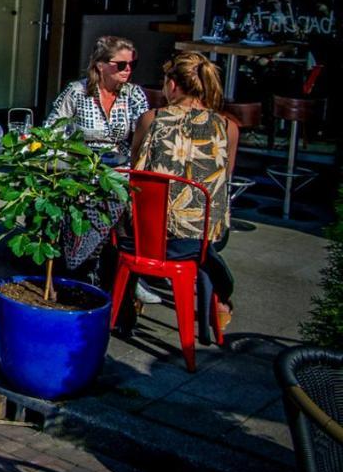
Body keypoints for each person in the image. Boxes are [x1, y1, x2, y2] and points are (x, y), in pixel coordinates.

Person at [130, 52, 238, 331]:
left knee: (111, 228)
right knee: (201, 242)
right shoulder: (228, 127)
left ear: (173, 85)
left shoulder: (151, 120)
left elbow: (136, 178)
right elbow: (223, 183)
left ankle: (125, 303)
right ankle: (219, 300)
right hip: (206, 237)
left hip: (153, 239)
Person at [44, 35, 150, 274]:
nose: (127, 70)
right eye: (121, 65)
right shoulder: (77, 92)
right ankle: (86, 260)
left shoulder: (133, 95)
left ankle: (125, 268)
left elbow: (143, 137)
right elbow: (52, 130)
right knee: (92, 194)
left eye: (132, 64)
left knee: (127, 195)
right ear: (100, 65)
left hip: (121, 164)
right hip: (81, 162)